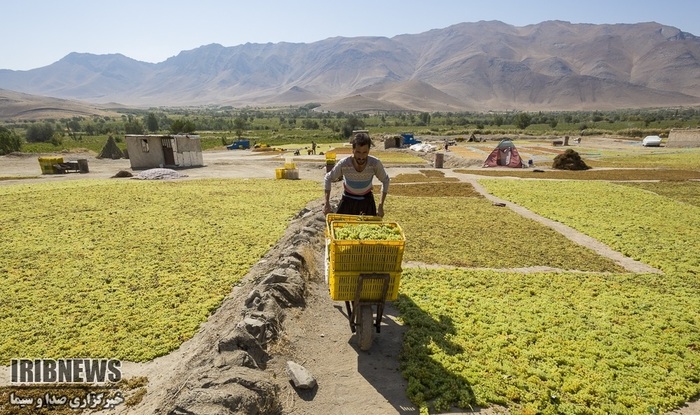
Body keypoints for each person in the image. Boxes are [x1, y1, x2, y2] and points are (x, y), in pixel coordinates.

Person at [323, 132, 389, 217]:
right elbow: (328, 178)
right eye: (358, 152)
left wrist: (380, 205)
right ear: (353, 150)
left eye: (364, 152)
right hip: (347, 201)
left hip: (367, 202)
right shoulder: (344, 164)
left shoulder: (374, 163)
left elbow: (385, 180)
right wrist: (327, 203)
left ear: (369, 151)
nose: (361, 157)